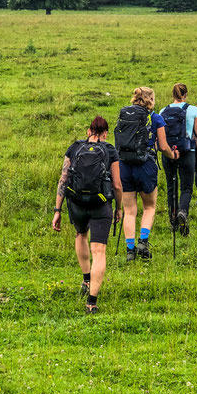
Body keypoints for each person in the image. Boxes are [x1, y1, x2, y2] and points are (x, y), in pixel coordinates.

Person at [52, 116, 122, 314]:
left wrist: (57, 210)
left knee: (81, 235)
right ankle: (92, 302)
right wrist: (119, 207)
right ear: (105, 134)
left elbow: (63, 179)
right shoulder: (109, 150)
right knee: (99, 251)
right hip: (101, 205)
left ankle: (85, 279)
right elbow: (117, 184)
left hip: (76, 204)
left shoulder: (75, 148)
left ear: (88, 131)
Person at [116, 87, 177, 261]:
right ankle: (143, 241)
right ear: (150, 99)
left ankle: (130, 250)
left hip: (125, 165)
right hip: (146, 165)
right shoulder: (156, 118)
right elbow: (163, 147)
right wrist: (173, 156)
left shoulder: (125, 116)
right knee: (149, 207)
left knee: (129, 211)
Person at [160, 83, 197, 237]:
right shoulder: (193, 110)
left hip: (169, 152)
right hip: (187, 151)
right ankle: (183, 211)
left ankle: (173, 220)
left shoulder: (163, 111)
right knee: (186, 187)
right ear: (186, 94)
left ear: (173, 94)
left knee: (171, 186)